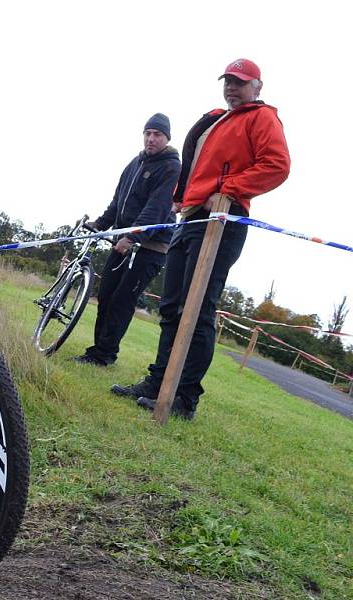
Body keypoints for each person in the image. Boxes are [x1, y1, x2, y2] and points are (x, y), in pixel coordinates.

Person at [111, 58, 290, 419]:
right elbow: (195, 162)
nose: (232, 88)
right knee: (172, 305)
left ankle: (184, 398)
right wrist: (182, 195)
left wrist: (229, 188)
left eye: (240, 82)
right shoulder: (216, 118)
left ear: (257, 86)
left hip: (223, 218)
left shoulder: (262, 117)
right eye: (228, 81)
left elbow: (277, 165)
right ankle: (158, 381)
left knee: (199, 308)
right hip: (190, 218)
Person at [73, 113, 180, 366]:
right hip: (122, 242)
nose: (151, 139)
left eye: (157, 134)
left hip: (150, 247)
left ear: (167, 138)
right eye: (148, 133)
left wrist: (132, 237)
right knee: (106, 296)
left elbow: (156, 208)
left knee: (122, 300)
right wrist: (100, 224)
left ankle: (104, 355)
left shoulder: (171, 167)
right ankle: (98, 350)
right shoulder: (135, 163)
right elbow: (118, 201)